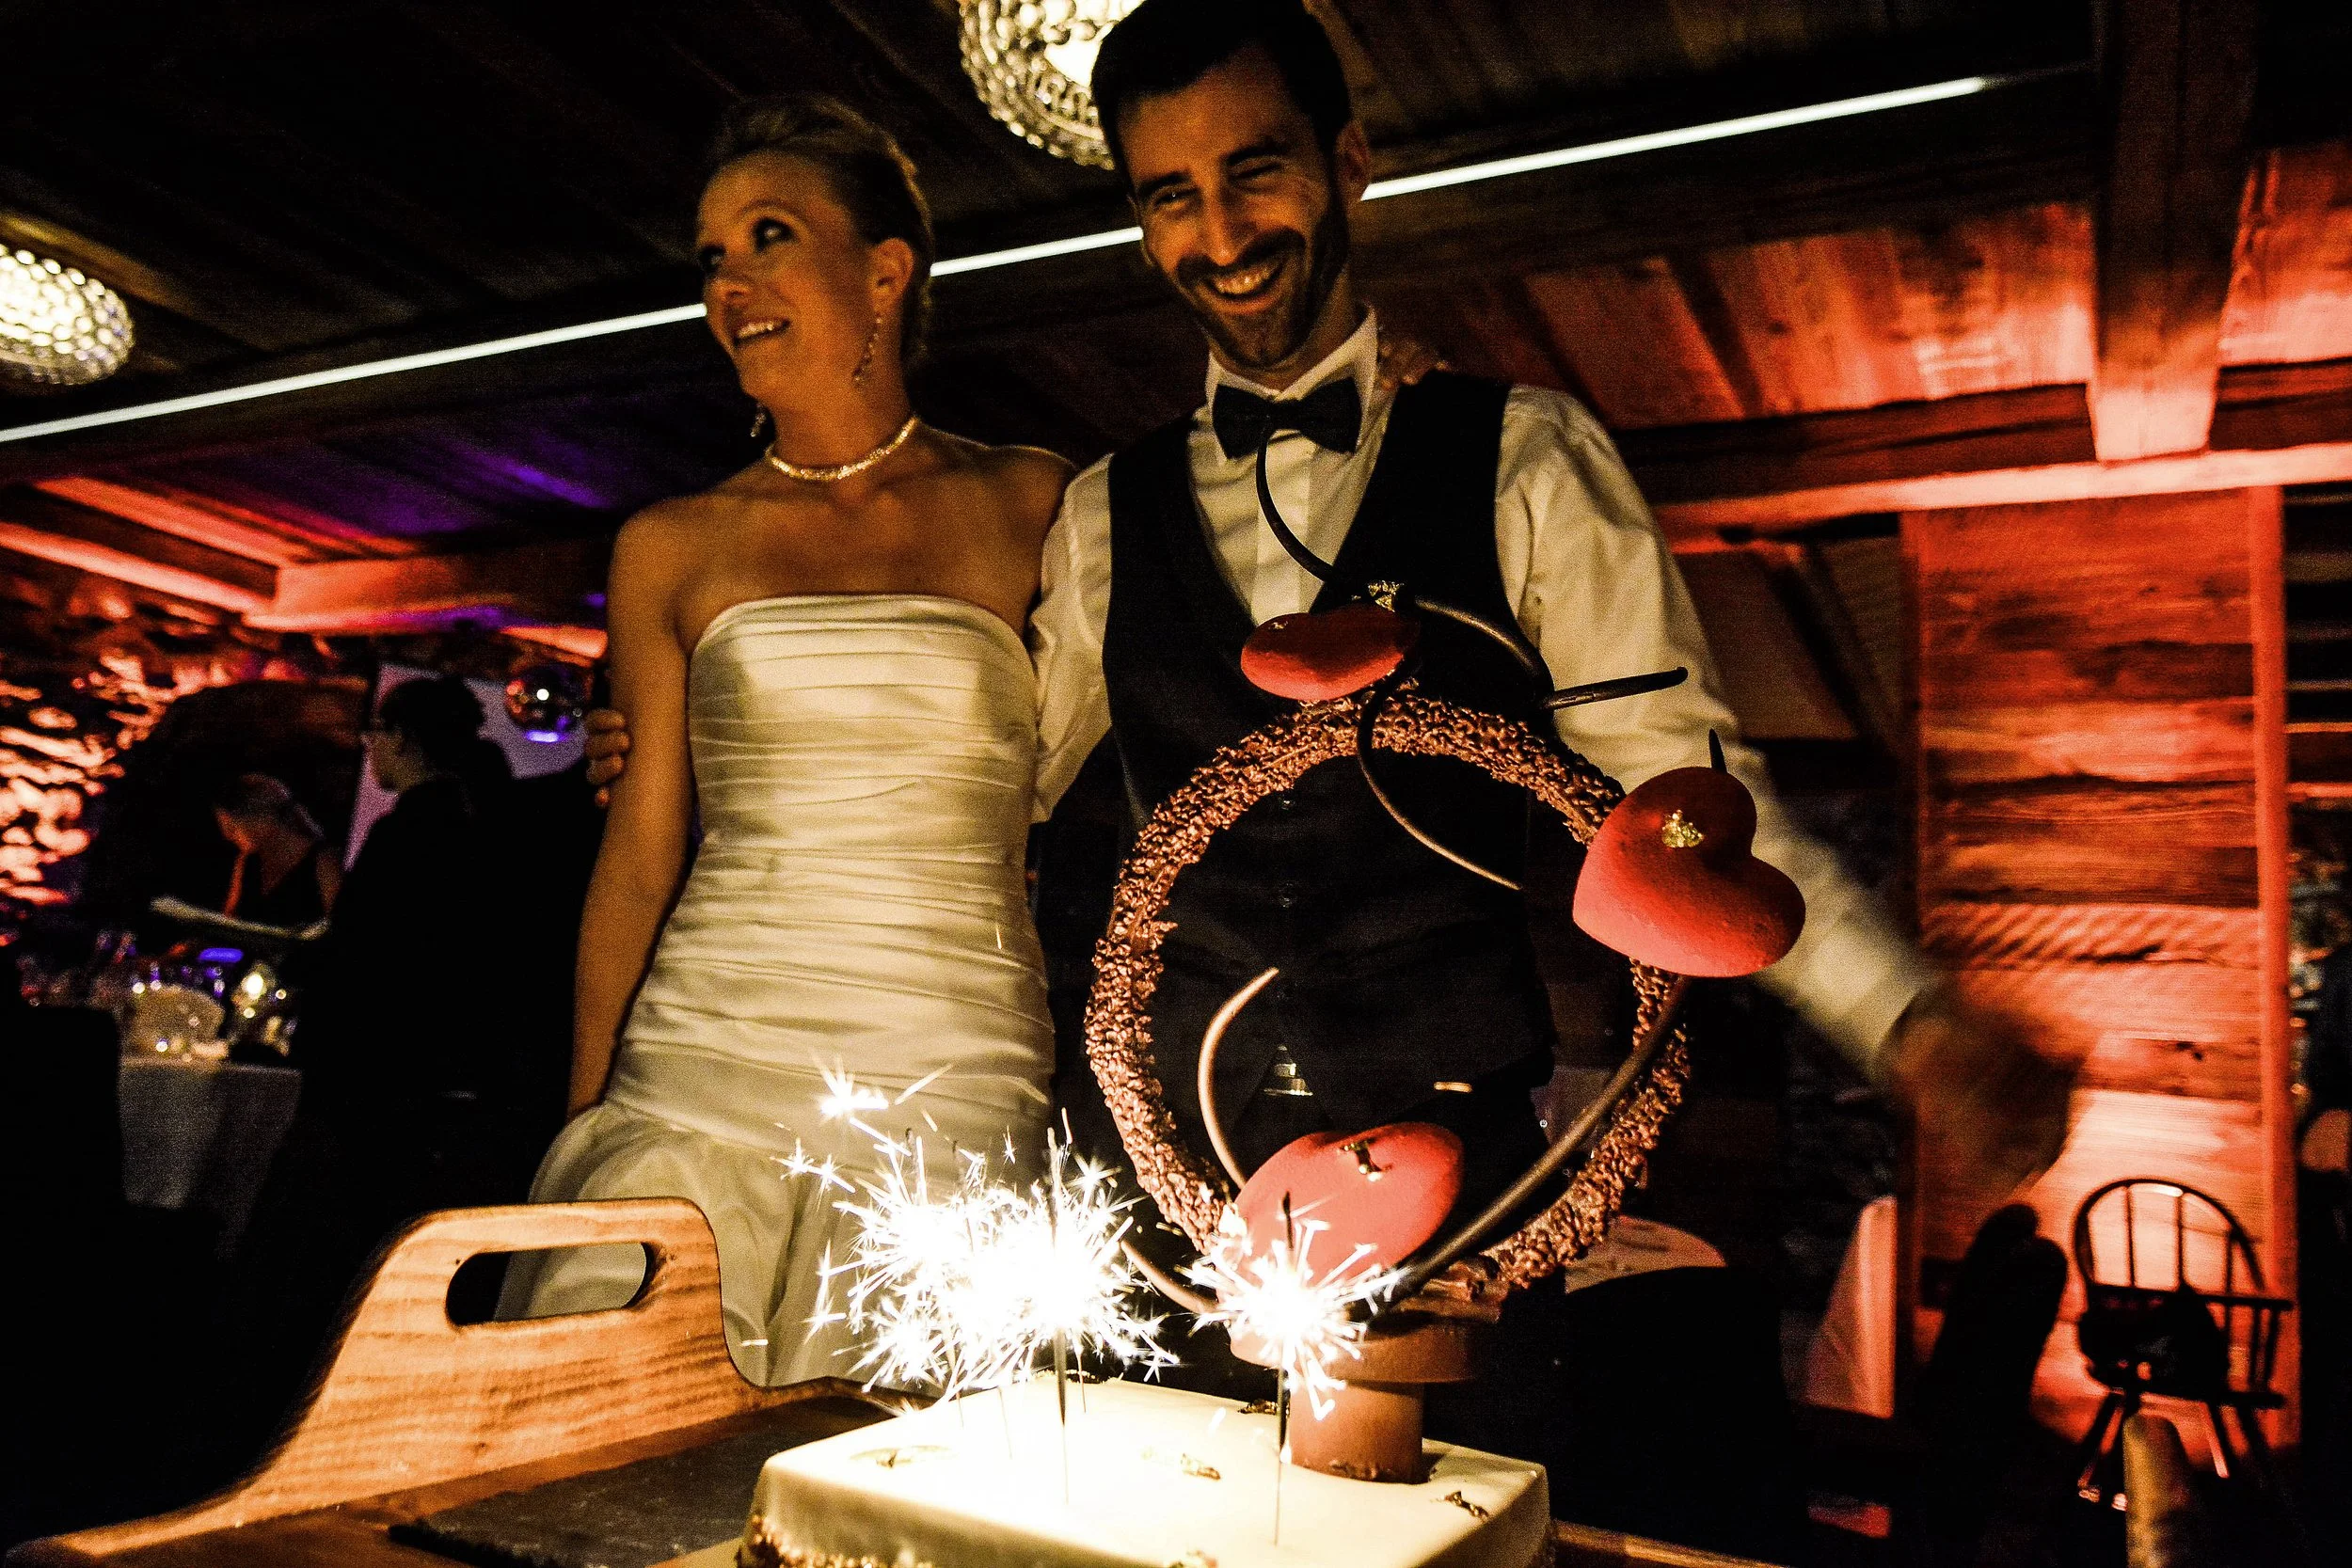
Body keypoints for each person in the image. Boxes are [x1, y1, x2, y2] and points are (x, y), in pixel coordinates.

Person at [493, 95, 1076, 1386]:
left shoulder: (1034, 501)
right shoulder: (670, 544)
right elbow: (639, 859)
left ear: (885, 270)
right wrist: (584, 1124)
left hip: (952, 1070)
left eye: (770, 236)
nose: (731, 283)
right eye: (712, 256)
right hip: (702, 1071)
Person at [211, 772, 339, 929]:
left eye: (232, 828)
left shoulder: (324, 863)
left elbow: (337, 929)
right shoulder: (247, 862)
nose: (228, 836)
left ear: (261, 820)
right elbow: (230, 924)